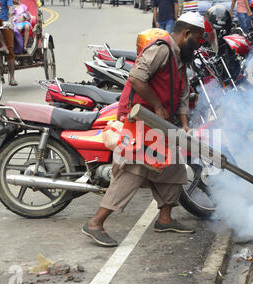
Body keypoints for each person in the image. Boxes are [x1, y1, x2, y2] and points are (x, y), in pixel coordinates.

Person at [82, 12, 204, 247]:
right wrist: (157, 106)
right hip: (140, 118)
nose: (198, 45)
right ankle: (95, 222)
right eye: (197, 38)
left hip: (161, 123)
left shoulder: (181, 57)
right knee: (134, 169)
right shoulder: (161, 49)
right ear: (187, 34)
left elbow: (182, 96)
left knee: (174, 166)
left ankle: (165, 218)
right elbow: (137, 78)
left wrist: (185, 124)